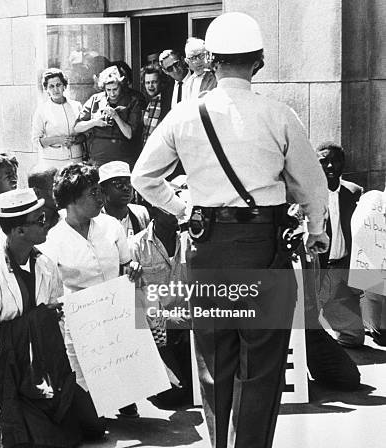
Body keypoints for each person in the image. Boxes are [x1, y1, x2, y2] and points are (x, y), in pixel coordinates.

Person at [132, 12, 329, 448]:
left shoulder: (185, 114)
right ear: (257, 62)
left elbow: (143, 176)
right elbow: (313, 186)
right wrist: (315, 230)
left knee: (213, 363)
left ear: (212, 62)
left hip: (207, 249)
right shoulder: (278, 115)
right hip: (266, 247)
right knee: (262, 365)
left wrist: (182, 209)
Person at [0, 188, 103, 444]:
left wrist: (51, 319)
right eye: (41, 220)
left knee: (93, 427)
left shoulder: (46, 265)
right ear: (20, 231)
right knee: (46, 441)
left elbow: (55, 325)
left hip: (47, 367)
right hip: (9, 371)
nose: (48, 224)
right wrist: (38, 321)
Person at [39, 163, 142, 418]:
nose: (101, 198)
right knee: (86, 380)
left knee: (123, 365)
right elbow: (50, 287)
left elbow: (126, 262)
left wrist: (133, 268)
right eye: (93, 193)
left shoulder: (111, 227)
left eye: (99, 191)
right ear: (72, 200)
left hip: (115, 311)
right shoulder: (53, 239)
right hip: (80, 319)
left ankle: (124, 397)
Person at [130, 204, 193, 405]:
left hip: (189, 329)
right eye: (169, 206)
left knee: (198, 392)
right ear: (154, 210)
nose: (178, 210)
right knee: (172, 397)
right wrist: (164, 318)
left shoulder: (190, 241)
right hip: (156, 333)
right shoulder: (135, 246)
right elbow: (134, 305)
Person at [315, 141, 364, 347]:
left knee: (354, 338)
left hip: (342, 269)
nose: (329, 166)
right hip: (317, 271)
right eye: (323, 161)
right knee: (300, 327)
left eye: (335, 161)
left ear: (343, 164)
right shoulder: (308, 195)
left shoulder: (355, 192)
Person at [74, 66, 143, 168]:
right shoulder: (95, 100)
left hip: (123, 158)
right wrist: (95, 122)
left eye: (115, 89)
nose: (112, 93)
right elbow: (77, 127)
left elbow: (129, 134)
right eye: (108, 90)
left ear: (121, 86)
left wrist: (116, 117)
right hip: (98, 158)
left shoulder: (132, 101)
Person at [32, 69, 84, 170]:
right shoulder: (42, 110)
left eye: (58, 85)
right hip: (52, 163)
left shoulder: (76, 106)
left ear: (64, 86)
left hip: (76, 160)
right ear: (46, 89)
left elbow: (85, 134)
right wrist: (59, 140)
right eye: (51, 86)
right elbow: (36, 141)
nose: (56, 89)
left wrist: (75, 140)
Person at [99, 161, 149, 239]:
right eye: (118, 184)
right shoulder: (97, 220)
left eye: (129, 182)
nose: (126, 188)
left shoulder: (141, 213)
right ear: (103, 189)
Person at [140, 65, 171, 146]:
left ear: (161, 82)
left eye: (154, 82)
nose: (150, 86)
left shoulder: (164, 101)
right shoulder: (149, 102)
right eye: (147, 82)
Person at [180, 38, 218, 103]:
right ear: (187, 61)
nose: (198, 61)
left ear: (209, 55)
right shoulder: (189, 82)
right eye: (192, 58)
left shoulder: (217, 77)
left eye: (201, 55)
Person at [28, 164, 61, 229]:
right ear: (37, 192)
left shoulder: (66, 216)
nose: (60, 192)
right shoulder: (28, 226)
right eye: (55, 188)